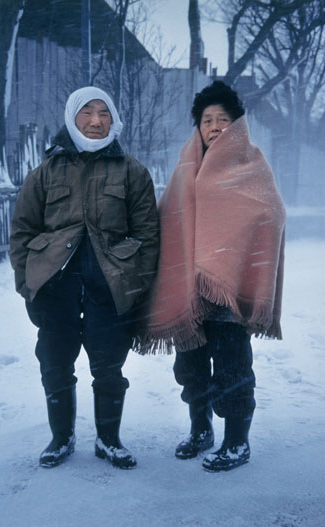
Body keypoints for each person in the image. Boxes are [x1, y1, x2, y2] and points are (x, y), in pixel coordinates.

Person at [10, 86, 159, 469]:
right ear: (72, 118)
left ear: (113, 120)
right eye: (87, 113)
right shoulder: (44, 172)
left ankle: (109, 440)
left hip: (109, 287)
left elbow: (147, 236)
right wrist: (29, 285)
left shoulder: (133, 172)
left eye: (104, 113)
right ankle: (61, 439)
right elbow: (22, 233)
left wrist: (134, 285)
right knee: (55, 363)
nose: (96, 121)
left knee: (109, 366)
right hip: (55, 288)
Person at [141, 81, 286, 472]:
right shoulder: (187, 165)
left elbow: (271, 214)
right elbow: (169, 216)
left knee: (232, 369)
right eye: (207, 119)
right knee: (189, 369)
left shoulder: (251, 164)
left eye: (223, 118)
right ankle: (200, 428)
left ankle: (237, 442)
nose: (215, 126)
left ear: (236, 124)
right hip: (189, 292)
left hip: (228, 292)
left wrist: (232, 254)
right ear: (198, 126)